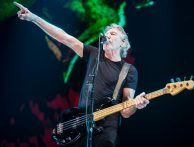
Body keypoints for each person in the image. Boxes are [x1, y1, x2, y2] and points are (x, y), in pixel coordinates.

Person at [14, 2, 150, 147]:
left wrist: (136, 105)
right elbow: (64, 37)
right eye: (106, 33)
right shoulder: (93, 53)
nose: (107, 35)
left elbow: (126, 111)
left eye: (113, 33)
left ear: (123, 43)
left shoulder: (128, 70)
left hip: (106, 129)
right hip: (80, 125)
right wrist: (34, 18)